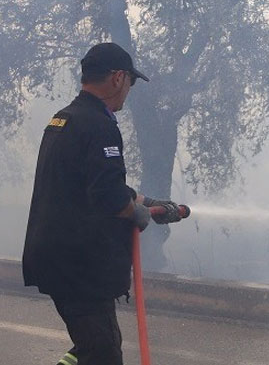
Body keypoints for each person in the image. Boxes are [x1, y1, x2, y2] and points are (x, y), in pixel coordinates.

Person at [22, 42, 183, 365]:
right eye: (131, 83)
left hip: (56, 259)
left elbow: (89, 182)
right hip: (78, 266)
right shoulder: (100, 125)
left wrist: (147, 201)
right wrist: (137, 213)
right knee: (103, 353)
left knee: (93, 347)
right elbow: (109, 196)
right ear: (118, 78)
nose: (129, 91)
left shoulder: (65, 119)